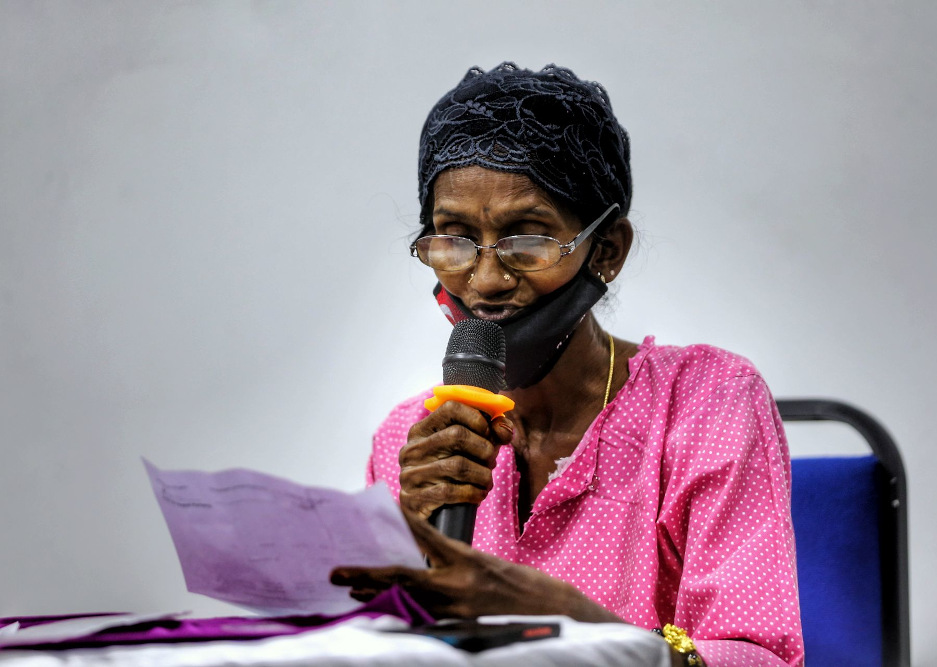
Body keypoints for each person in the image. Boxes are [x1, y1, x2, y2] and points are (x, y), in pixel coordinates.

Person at [331, 63, 804, 667]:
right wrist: (409, 548)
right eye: (454, 238)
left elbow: (760, 658)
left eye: (528, 239)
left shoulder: (707, 405)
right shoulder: (409, 438)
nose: (486, 280)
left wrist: (568, 624)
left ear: (605, 250)